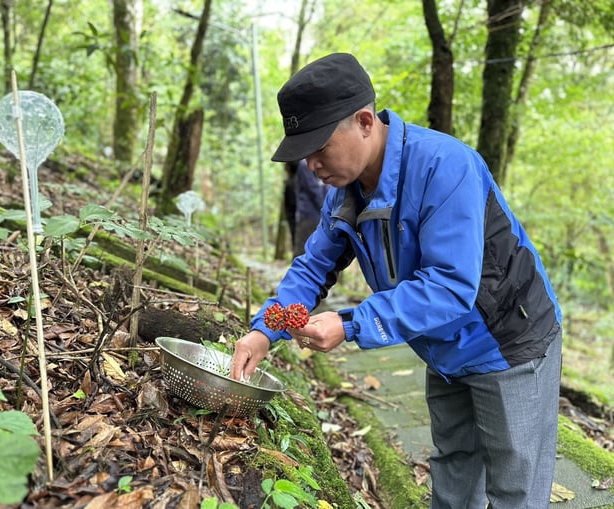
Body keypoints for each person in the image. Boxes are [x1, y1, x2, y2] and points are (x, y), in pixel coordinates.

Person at [230, 53, 562, 509]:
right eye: (304, 153)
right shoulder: (344, 196)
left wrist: (350, 324)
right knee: (455, 465)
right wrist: (263, 330)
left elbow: (449, 285)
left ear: (365, 122)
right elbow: (313, 267)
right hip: (441, 344)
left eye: (320, 147)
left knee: (514, 486)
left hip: (508, 341)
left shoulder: (446, 168)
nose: (312, 165)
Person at [293, 159, 329, 258]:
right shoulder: (305, 164)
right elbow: (313, 189)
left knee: (324, 253)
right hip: (308, 216)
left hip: (323, 217)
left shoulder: (327, 162)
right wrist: (327, 206)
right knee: (303, 253)